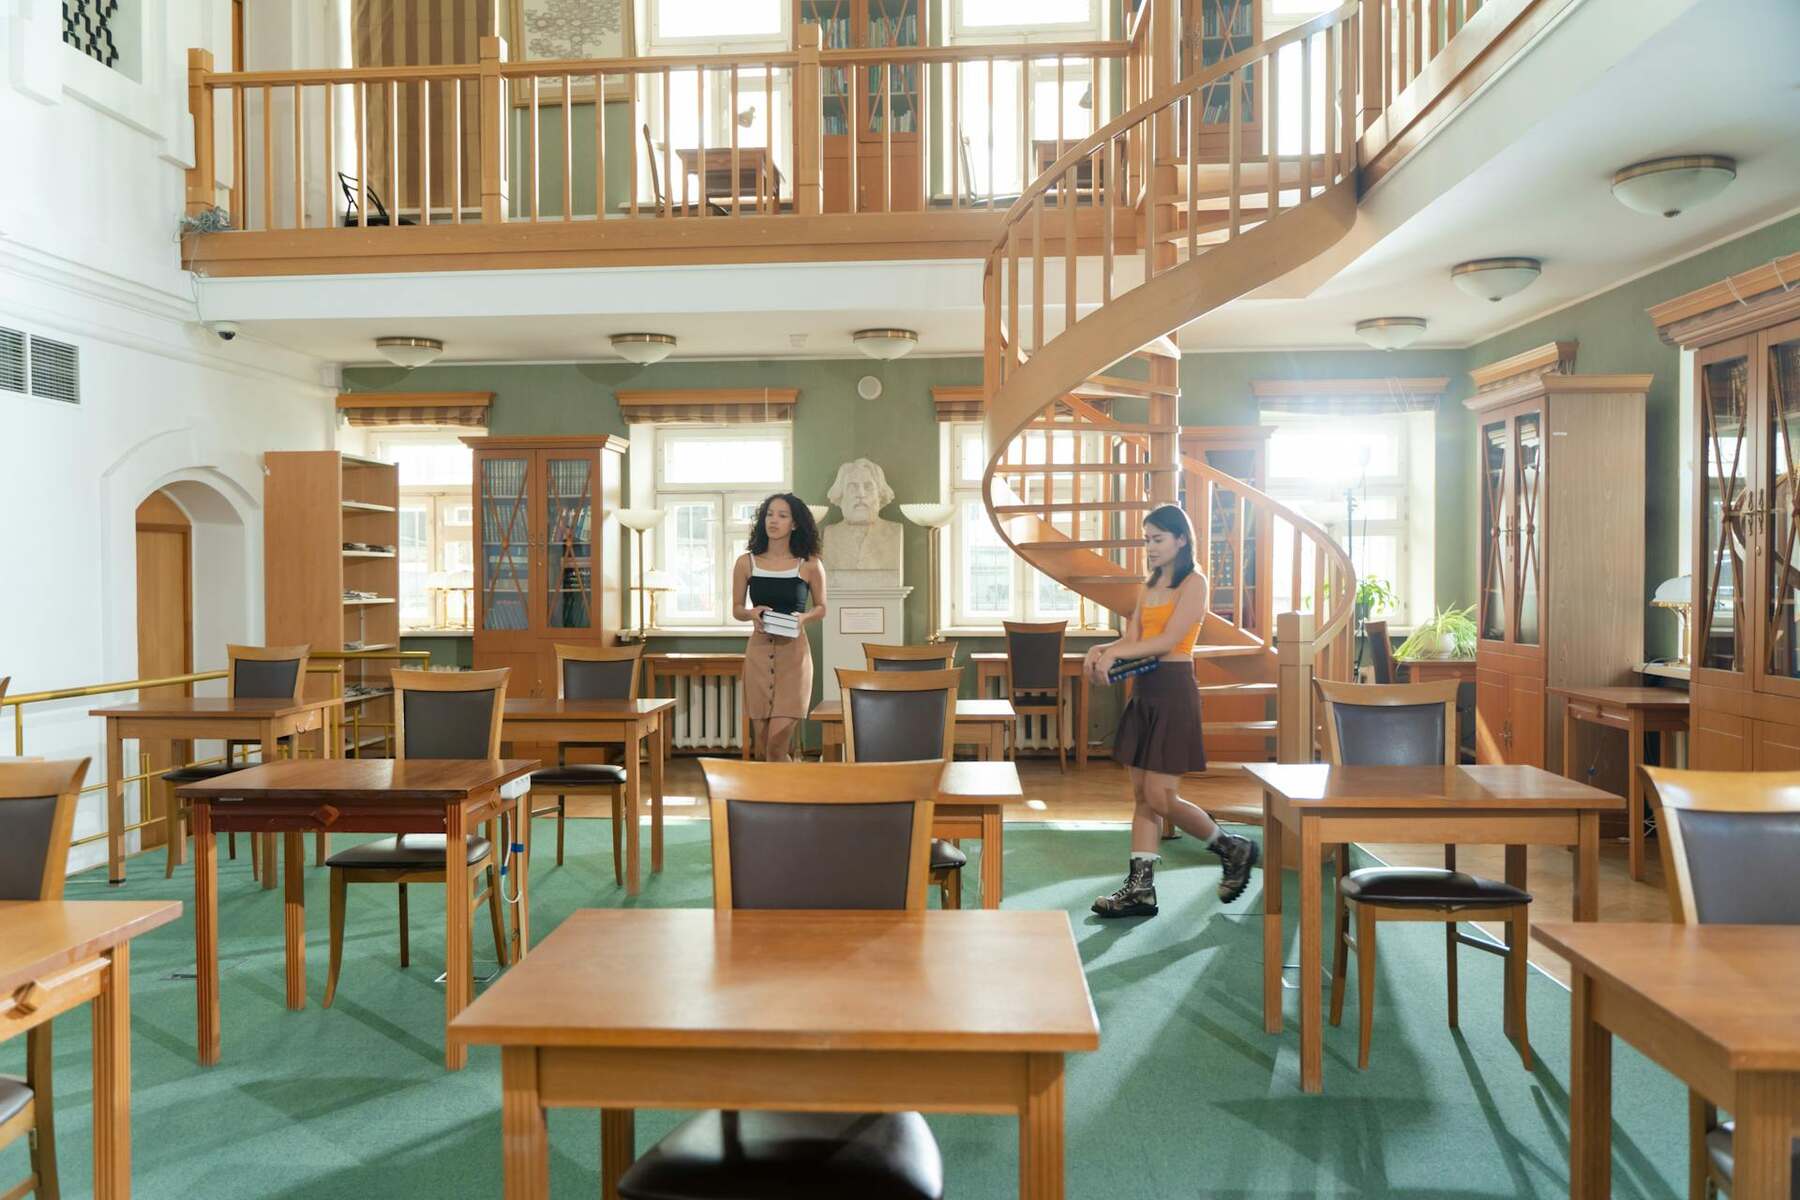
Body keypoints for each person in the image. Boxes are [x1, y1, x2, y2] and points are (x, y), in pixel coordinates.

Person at [1084, 503, 1258, 917]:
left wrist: (1112, 654)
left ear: (1181, 539)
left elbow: (1168, 641)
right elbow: (1134, 639)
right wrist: (1102, 651)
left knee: (1161, 796)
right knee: (1143, 796)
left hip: (1175, 691)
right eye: (1147, 540)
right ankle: (1140, 890)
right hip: (1144, 690)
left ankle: (1231, 847)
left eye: (1158, 539)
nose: (1150, 547)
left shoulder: (1194, 583)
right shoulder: (1147, 587)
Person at [732, 493, 828, 762]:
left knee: (777, 743)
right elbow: (737, 609)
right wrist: (752, 613)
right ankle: (787, 796)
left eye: (782, 516)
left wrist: (803, 618)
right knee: (765, 748)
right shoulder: (745, 563)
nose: (773, 520)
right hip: (759, 654)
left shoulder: (809, 564)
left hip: (794, 656)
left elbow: (822, 607)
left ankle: (792, 798)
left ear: (795, 524)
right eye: (769, 514)